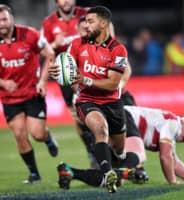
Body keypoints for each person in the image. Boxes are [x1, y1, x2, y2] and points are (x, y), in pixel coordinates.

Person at [49, 6, 128, 193]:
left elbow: (112, 84)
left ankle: (118, 164)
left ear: (103, 24)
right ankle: (107, 173)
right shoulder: (77, 44)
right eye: (85, 21)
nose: (86, 25)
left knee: (119, 149)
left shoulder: (118, 49)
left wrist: (85, 79)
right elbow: (66, 69)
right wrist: (58, 73)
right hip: (86, 100)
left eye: (90, 21)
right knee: (100, 129)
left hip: (112, 103)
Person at [0, 4, 58, 184]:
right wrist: (2, 83)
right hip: (9, 97)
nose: (1, 23)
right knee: (19, 134)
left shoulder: (30, 34)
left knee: (37, 134)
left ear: (12, 19)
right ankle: (34, 174)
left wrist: (43, 81)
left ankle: (48, 139)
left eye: (4, 19)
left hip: (33, 93)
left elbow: (49, 53)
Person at [41, 0, 98, 168]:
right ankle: (92, 152)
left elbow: (107, 35)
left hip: (90, 69)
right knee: (80, 119)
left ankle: (116, 153)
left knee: (100, 112)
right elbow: (44, 51)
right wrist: (54, 44)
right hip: (66, 76)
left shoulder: (88, 13)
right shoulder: (48, 22)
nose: (66, 2)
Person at [123, 105, 184, 184]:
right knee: (140, 156)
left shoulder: (172, 130)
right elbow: (165, 157)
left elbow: (174, 164)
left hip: (121, 115)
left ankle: (116, 170)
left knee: (119, 180)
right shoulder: (174, 124)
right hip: (125, 116)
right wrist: (172, 181)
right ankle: (119, 170)